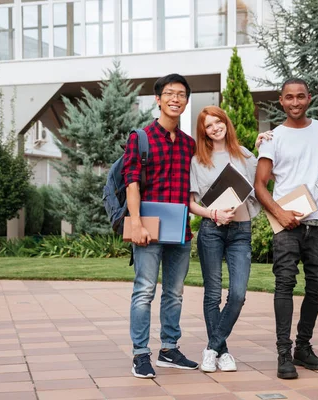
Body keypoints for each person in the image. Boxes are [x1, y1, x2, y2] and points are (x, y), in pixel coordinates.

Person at [254, 78, 318, 380]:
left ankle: (303, 346)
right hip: (286, 222)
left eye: (301, 96)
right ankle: (283, 353)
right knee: (284, 283)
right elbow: (260, 185)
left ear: (309, 98)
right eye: (289, 97)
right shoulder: (273, 138)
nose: (296, 102)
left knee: (317, 286)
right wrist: (279, 212)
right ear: (281, 101)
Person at [122, 73, 198, 379]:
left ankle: (169, 349)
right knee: (144, 291)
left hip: (180, 230)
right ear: (158, 99)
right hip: (148, 229)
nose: (175, 99)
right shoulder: (140, 138)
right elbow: (131, 183)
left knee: (175, 293)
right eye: (169, 93)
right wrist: (136, 224)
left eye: (181, 94)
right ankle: (141, 354)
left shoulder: (189, 144)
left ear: (186, 101)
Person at [189, 106, 261, 373]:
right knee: (212, 294)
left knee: (239, 294)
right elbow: (192, 203)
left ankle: (212, 347)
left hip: (240, 231)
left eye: (218, 122)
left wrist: (263, 146)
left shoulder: (244, 155)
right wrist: (213, 213)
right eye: (209, 125)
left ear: (225, 123)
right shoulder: (198, 160)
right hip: (211, 230)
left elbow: (263, 182)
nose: (215, 127)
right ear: (204, 132)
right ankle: (223, 352)